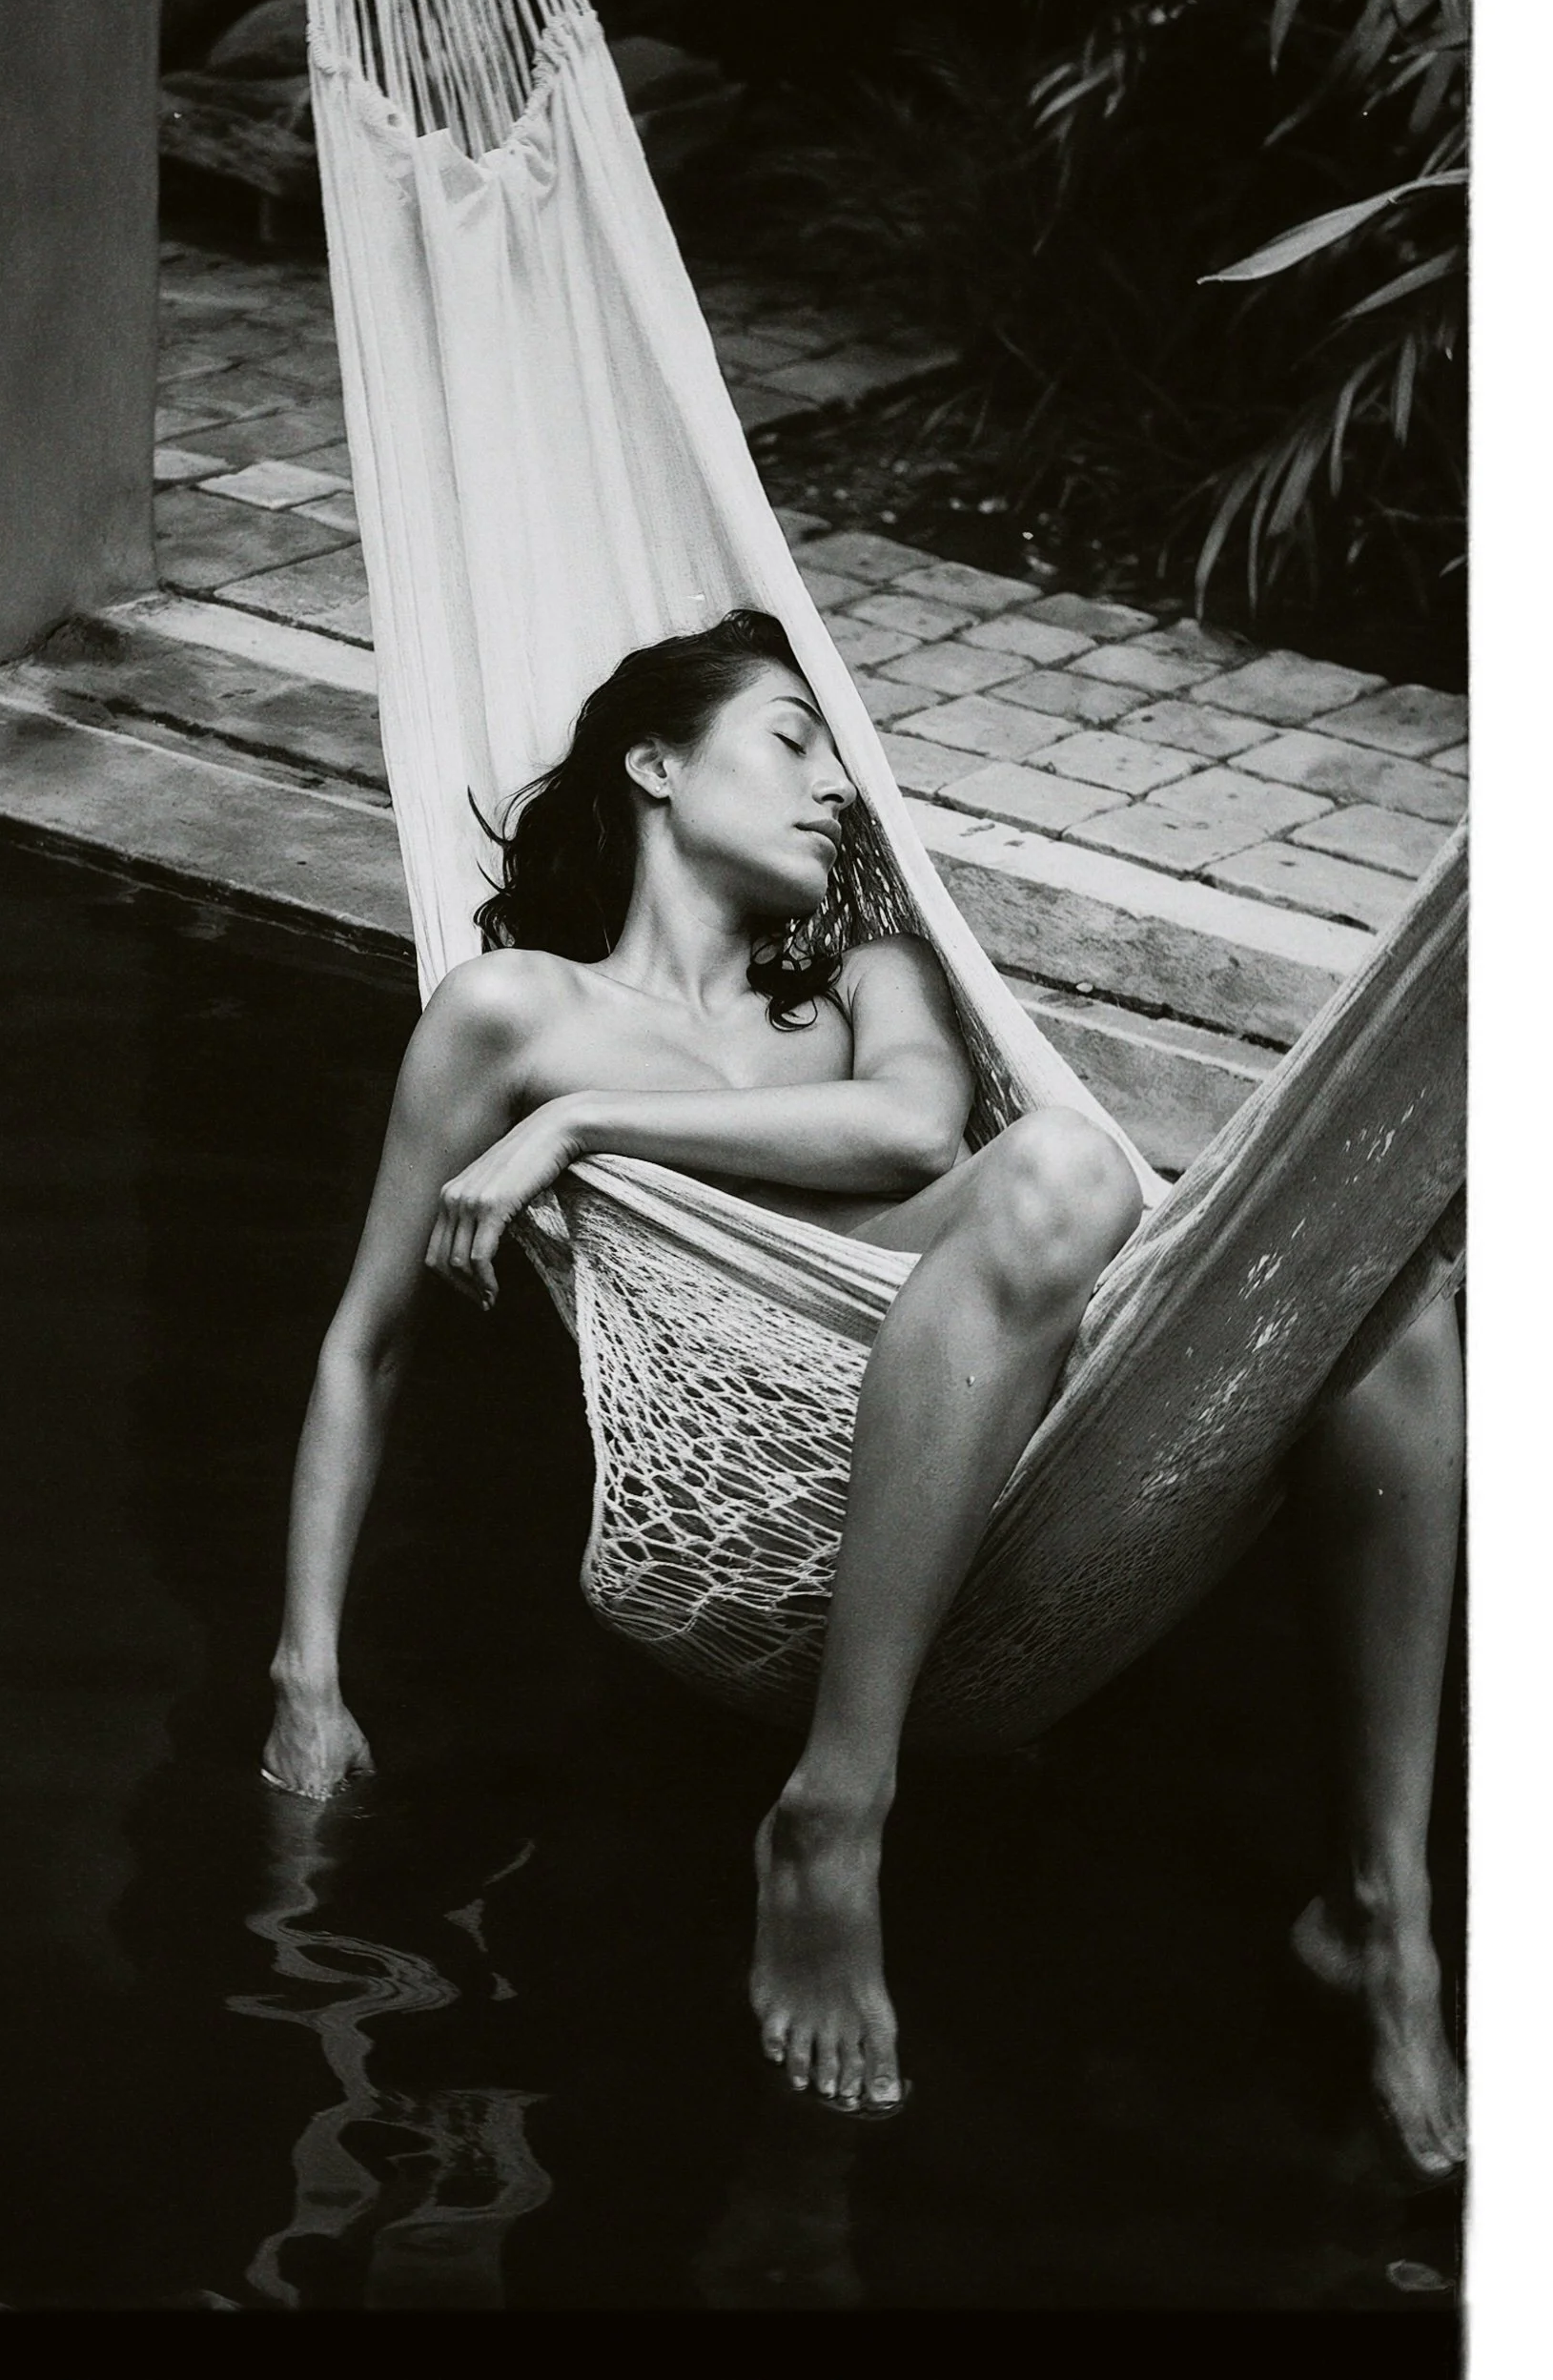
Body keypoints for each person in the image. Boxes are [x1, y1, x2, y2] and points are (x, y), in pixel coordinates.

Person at [261, 610, 1465, 2180]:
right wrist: (306, 1672)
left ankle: (1384, 1910)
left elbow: (910, 1136)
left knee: (1391, 1310)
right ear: (656, 764)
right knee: (1064, 1177)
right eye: (794, 740)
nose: (840, 787)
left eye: (842, 755)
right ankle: (836, 1809)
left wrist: (577, 1133)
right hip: (786, 1471)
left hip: (1037, 1436)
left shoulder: (864, 984)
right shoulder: (510, 1016)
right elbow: (367, 1339)